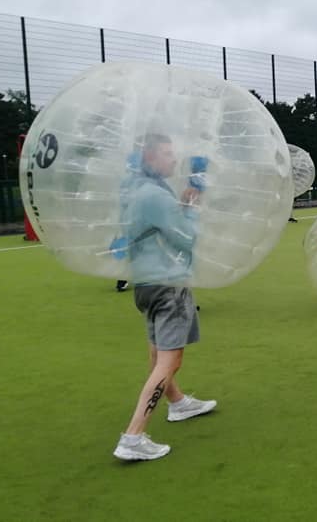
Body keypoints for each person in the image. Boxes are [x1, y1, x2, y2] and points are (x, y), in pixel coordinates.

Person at [112, 133, 216, 462]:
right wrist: (193, 209)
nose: (174, 159)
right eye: (167, 153)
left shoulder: (135, 188)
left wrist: (181, 205)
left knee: (159, 352)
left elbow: (158, 227)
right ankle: (133, 437)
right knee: (170, 360)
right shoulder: (155, 195)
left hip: (145, 281)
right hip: (168, 282)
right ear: (150, 157)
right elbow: (186, 238)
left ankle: (178, 403)